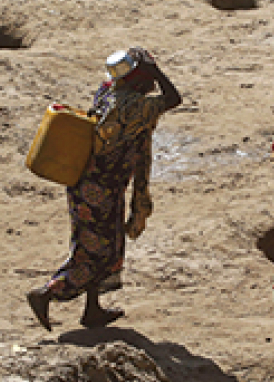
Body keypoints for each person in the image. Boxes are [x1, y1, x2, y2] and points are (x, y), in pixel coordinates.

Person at [26, 47, 183, 332]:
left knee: (95, 247)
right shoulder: (132, 105)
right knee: (99, 254)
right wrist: (158, 72)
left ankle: (92, 311)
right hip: (100, 190)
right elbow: (173, 99)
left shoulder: (108, 90)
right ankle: (47, 292)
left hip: (89, 183)